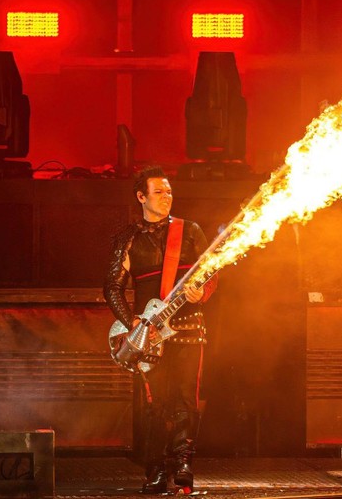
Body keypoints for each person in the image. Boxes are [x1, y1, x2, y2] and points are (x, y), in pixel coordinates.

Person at [104, 166, 218, 495]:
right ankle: (154, 470)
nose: (166, 197)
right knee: (156, 405)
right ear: (141, 197)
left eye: (169, 192)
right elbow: (112, 287)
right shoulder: (128, 239)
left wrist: (203, 292)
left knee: (186, 399)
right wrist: (133, 324)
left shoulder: (191, 231)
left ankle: (183, 465)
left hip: (188, 328)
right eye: (159, 192)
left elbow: (211, 275)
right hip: (149, 338)